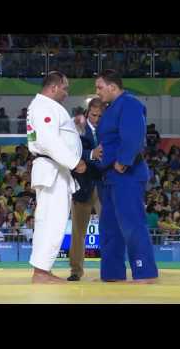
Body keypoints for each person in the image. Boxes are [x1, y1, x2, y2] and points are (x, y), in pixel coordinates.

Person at [94, 69, 158, 284]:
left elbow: (134, 134)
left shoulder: (129, 103)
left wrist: (124, 160)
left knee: (132, 223)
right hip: (108, 176)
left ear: (113, 87)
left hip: (126, 174)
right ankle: (112, 273)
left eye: (100, 87)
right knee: (109, 226)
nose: (97, 92)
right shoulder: (111, 108)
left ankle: (144, 272)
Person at [26, 71, 86, 284]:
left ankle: (43, 270)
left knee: (51, 220)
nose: (67, 93)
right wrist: (74, 162)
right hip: (52, 169)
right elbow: (48, 140)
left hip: (54, 169)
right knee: (51, 221)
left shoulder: (45, 107)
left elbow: (56, 132)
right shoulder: (44, 107)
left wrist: (73, 124)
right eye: (65, 88)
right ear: (53, 87)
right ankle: (41, 273)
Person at [68, 98, 103, 281]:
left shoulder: (108, 128)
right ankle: (75, 271)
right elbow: (71, 150)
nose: (97, 119)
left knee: (109, 228)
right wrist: (91, 154)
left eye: (100, 115)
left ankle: (110, 268)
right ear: (88, 112)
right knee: (78, 231)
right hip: (82, 184)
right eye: (94, 115)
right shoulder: (76, 127)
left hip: (103, 185)